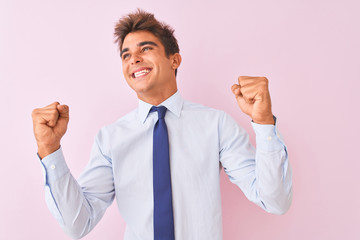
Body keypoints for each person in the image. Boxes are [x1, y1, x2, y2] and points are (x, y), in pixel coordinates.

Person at [32, 9, 292, 240]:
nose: (134, 59)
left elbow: (275, 200)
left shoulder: (216, 125)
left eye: (145, 48)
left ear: (174, 60)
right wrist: (49, 149)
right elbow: (78, 224)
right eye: (126, 55)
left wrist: (264, 122)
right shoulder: (110, 138)